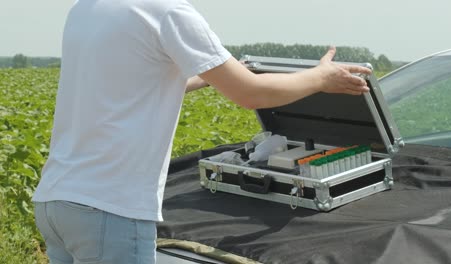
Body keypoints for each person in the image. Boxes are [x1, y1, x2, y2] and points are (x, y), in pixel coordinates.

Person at [32, 0, 371, 263]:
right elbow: (251, 94)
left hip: (56, 201)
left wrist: (214, 73)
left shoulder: (87, 9)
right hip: (109, 210)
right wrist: (321, 78)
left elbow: (135, 85)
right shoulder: (166, 10)